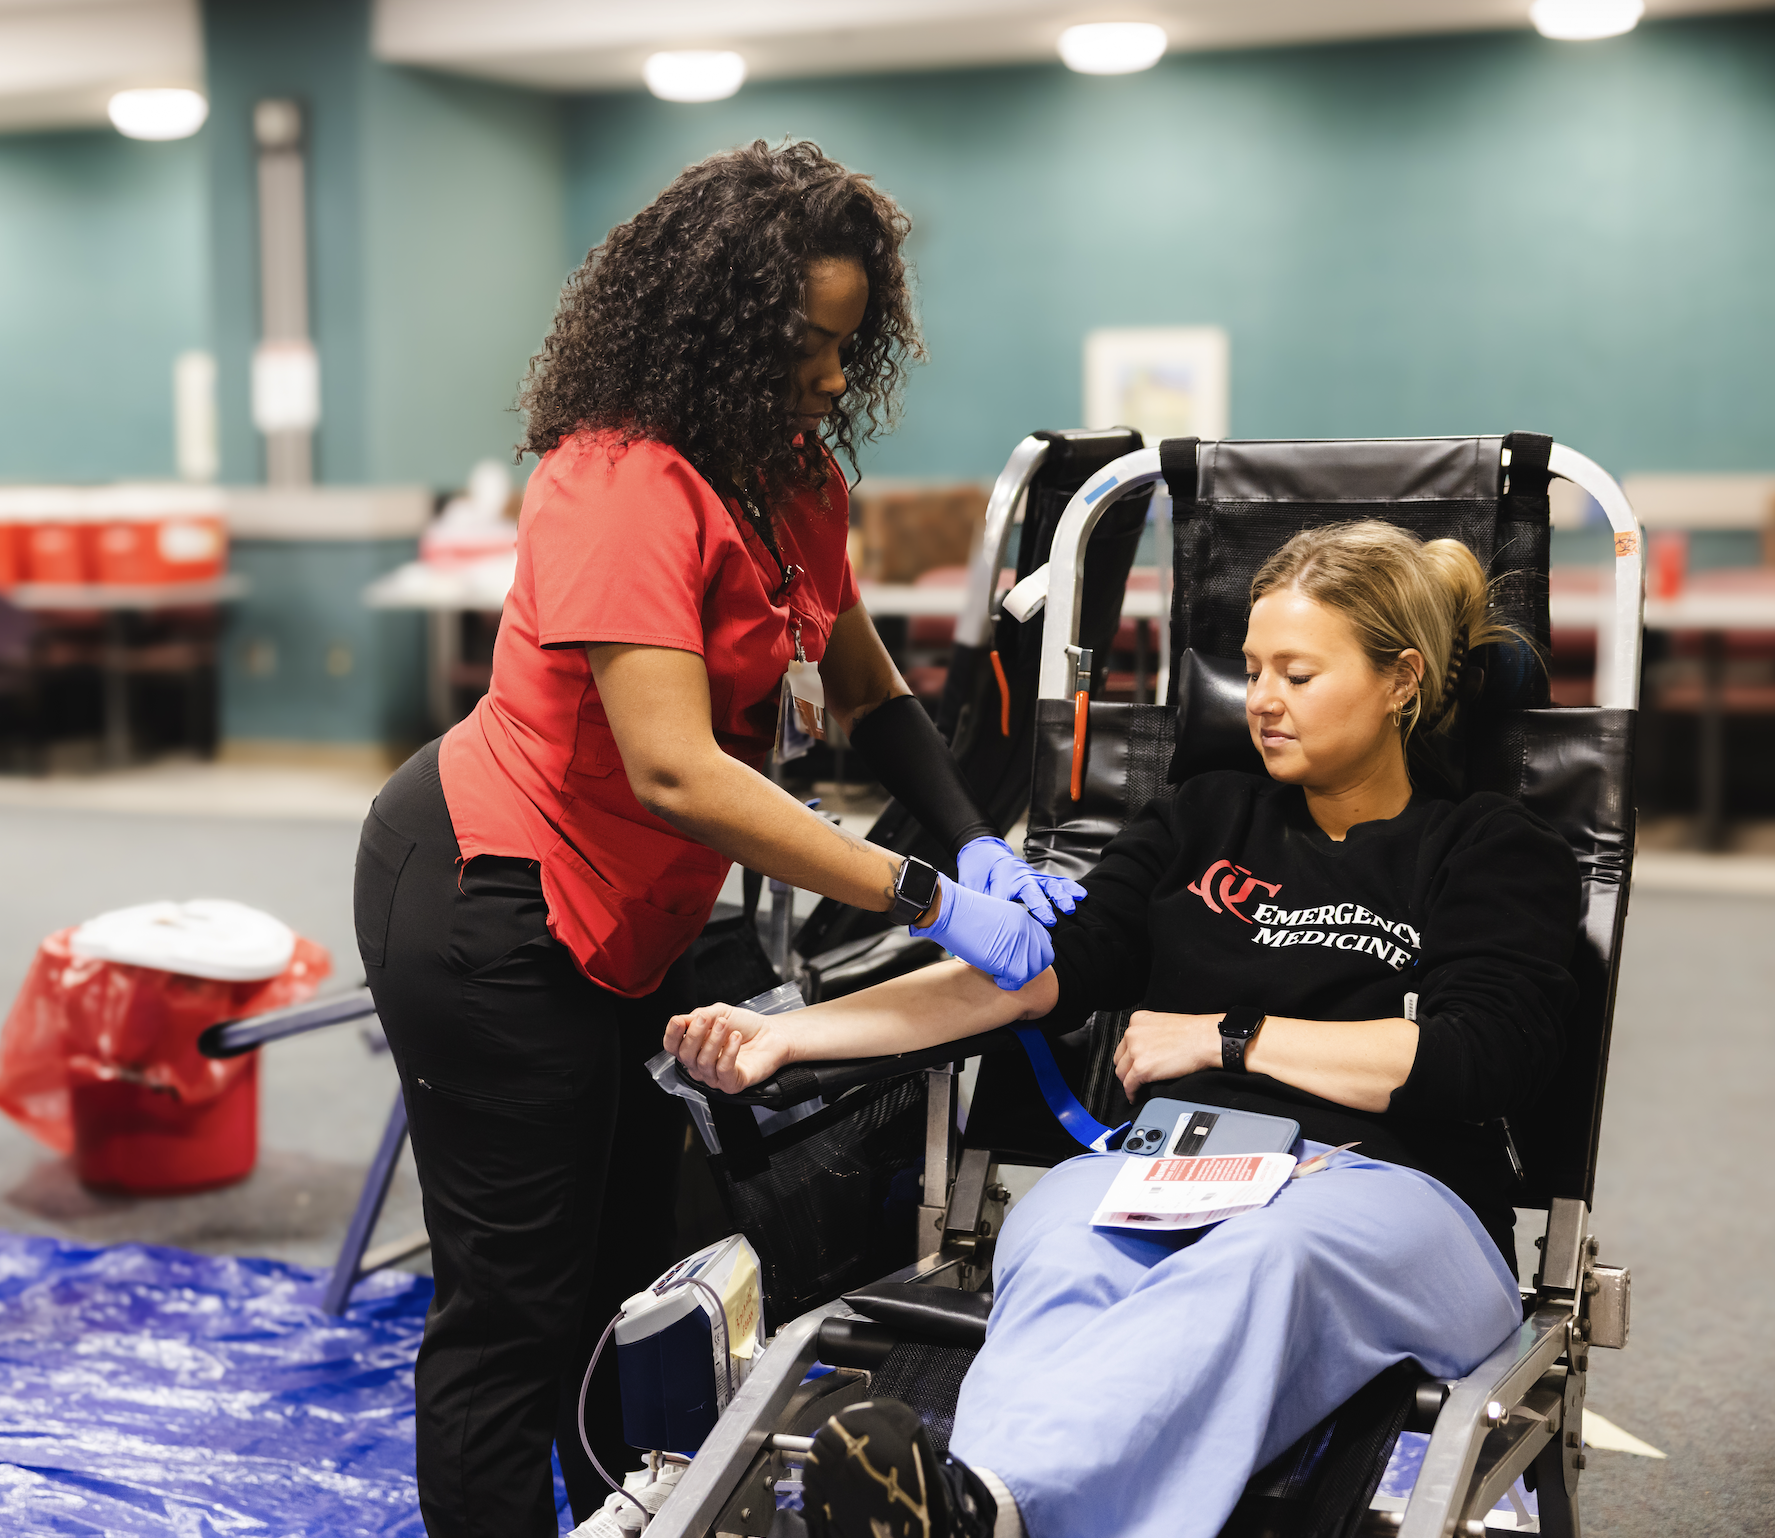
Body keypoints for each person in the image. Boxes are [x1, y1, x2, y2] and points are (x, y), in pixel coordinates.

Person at [354, 141, 1078, 1537]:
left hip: (632, 910)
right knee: (514, 1302)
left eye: (848, 345)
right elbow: (677, 767)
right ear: (723, 328)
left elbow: (862, 683)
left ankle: (623, 1515)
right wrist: (927, 894)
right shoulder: (615, 479)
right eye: (806, 344)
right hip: (486, 890)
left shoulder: (789, 473)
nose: (828, 375)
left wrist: (977, 836)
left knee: (631, 1266)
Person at [668, 521, 1581, 1538]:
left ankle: (988, 1502)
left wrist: (1225, 1037)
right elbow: (1018, 979)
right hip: (1182, 1170)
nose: (1261, 699)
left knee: (1268, 1256)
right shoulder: (1201, 817)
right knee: (1059, 1233)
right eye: (1249, 669)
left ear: (1399, 679)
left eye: (1297, 672)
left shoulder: (1490, 849)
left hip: (1392, 1196)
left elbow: (1480, 1058)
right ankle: (981, 1507)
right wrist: (791, 1036)